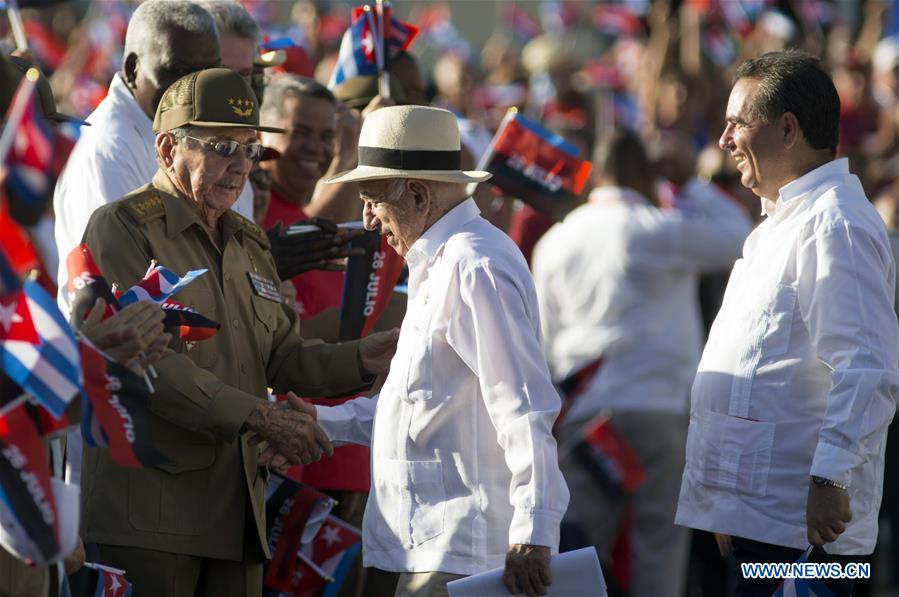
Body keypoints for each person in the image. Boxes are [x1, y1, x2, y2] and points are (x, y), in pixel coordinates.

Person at [78, 68, 397, 597]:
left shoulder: (247, 240)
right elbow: (145, 362)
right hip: (150, 517)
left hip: (236, 516)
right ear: (166, 148)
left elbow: (283, 356)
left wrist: (364, 358)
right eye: (222, 146)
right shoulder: (122, 227)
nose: (240, 165)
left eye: (250, 149)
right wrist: (259, 416)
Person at [300, 105, 569, 597]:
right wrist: (317, 421)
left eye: (372, 200)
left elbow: (524, 406)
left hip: (464, 554)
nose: (366, 221)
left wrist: (534, 529)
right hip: (440, 548)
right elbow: (413, 411)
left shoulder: (473, 264)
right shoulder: (447, 261)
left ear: (419, 195)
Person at [675, 51, 899, 597]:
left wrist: (830, 477)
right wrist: (727, 499)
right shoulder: (781, 224)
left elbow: (866, 367)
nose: (725, 139)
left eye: (736, 123)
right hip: (764, 522)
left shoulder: (835, 224)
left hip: (804, 536)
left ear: (788, 128)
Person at [531, 129, 750, 596]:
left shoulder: (555, 241)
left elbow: (544, 342)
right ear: (640, 171)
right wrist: (691, 184)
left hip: (588, 418)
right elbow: (740, 237)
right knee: (659, 548)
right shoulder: (655, 228)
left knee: (577, 552)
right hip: (658, 413)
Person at [53, 0, 222, 312]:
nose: (194, 89)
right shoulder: (110, 151)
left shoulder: (176, 130)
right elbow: (122, 290)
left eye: (208, 72)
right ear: (132, 68)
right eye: (178, 72)